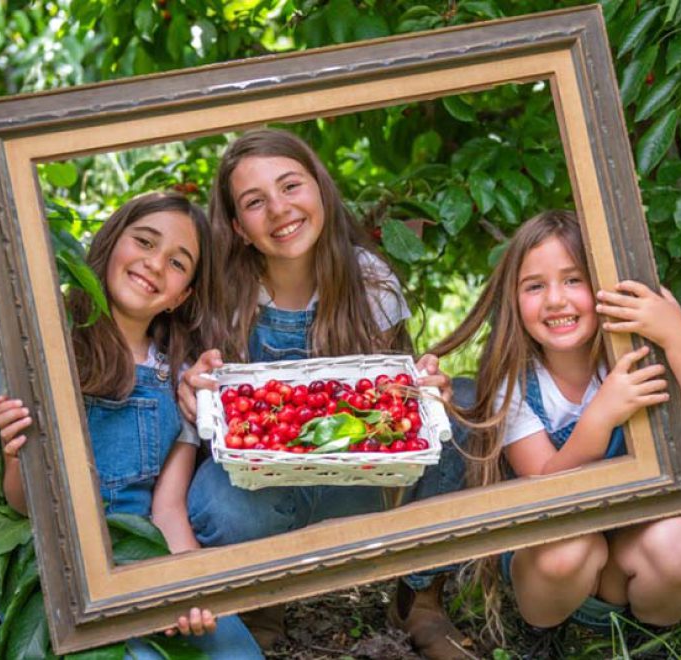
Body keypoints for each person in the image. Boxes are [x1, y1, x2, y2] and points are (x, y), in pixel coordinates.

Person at [177, 128, 471, 659]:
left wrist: (423, 391)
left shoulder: (368, 279)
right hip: (264, 487)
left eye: (291, 186)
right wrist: (190, 386)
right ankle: (262, 596)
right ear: (239, 228)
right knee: (220, 508)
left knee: (463, 403)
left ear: (320, 189)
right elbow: (209, 409)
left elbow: (392, 399)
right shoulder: (223, 295)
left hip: (357, 482)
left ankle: (420, 597)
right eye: (254, 202)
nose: (279, 209)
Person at [430, 210, 681, 651]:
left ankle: (644, 640)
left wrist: (677, 334)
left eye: (573, 279)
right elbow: (546, 486)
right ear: (513, 300)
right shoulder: (514, 385)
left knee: (679, 547)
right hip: (555, 558)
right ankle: (546, 637)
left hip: (632, 547)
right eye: (534, 286)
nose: (555, 300)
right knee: (570, 549)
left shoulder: (639, 354)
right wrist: (599, 418)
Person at [0, 192, 263, 659]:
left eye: (177, 263)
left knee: (237, 653)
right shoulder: (42, 354)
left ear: (182, 296)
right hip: (57, 568)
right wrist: (15, 456)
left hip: (141, 558)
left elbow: (168, 512)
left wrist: (191, 586)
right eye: (144, 242)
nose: (155, 264)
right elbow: (23, 505)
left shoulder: (177, 378)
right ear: (111, 242)